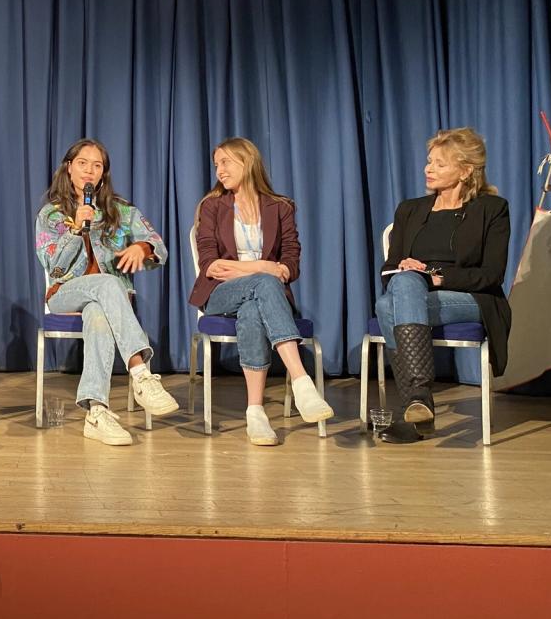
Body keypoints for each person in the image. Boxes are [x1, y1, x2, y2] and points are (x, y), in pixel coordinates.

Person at [190, 137, 333, 446]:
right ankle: (301, 381)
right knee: (265, 282)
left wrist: (260, 269)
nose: (219, 170)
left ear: (247, 161)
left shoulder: (280, 207)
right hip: (220, 294)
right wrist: (264, 267)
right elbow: (211, 265)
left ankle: (255, 412)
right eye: (216, 165)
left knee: (254, 308)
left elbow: (290, 264)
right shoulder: (212, 207)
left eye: (225, 162)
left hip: (261, 297)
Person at [34, 138, 178, 446]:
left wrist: (142, 247)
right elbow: (54, 267)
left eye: (97, 165)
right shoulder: (51, 215)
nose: (89, 170)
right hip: (65, 293)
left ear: (103, 173)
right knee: (110, 283)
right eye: (82, 163)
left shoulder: (121, 212)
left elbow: (160, 248)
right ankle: (140, 373)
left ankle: (96, 412)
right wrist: (76, 230)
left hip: (105, 302)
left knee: (98, 314)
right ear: (69, 168)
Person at [375, 127, 511, 443]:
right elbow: (389, 267)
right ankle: (419, 400)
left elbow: (492, 274)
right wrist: (405, 269)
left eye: (439, 163)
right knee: (399, 287)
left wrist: (434, 275)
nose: (428, 169)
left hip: (471, 298)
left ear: (465, 171)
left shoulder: (492, 209)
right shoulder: (409, 209)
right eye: (429, 161)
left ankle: (416, 404)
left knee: (389, 305)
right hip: (411, 294)